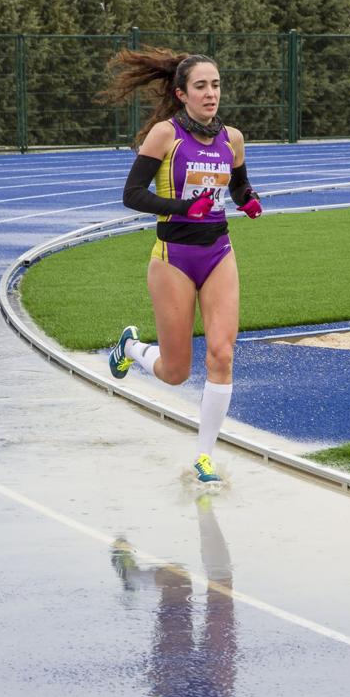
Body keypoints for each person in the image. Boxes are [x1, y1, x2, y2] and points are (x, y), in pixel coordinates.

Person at [103, 47, 262, 486]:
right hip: (173, 257)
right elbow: (132, 195)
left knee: (222, 354)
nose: (211, 94)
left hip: (218, 253)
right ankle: (130, 349)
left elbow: (239, 185)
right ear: (182, 94)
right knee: (175, 373)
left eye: (216, 85)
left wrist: (248, 201)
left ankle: (204, 457)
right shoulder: (165, 135)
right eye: (201, 86)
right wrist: (181, 208)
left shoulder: (232, 138)